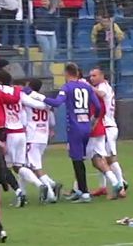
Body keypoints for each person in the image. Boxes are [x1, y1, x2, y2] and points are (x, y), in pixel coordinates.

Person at [43, 63, 102, 202]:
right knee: (80, 158)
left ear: (67, 73)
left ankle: (85, 193)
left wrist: (40, 98)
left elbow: (57, 103)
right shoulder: (87, 87)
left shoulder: (67, 87)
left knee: (77, 161)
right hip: (86, 126)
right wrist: (93, 119)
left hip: (74, 128)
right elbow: (98, 106)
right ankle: (79, 190)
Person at [17, 78, 62, 203]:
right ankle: (23, 194)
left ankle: (50, 193)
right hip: (43, 135)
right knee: (26, 165)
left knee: (34, 167)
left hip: (32, 136)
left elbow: (22, 100)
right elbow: (50, 114)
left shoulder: (26, 98)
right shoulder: (43, 98)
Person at [89, 67, 128, 197]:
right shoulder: (105, 86)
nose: (91, 78)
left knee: (110, 158)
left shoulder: (103, 86)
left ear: (102, 75)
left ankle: (121, 184)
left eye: (94, 75)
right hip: (107, 125)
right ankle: (103, 187)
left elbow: (102, 94)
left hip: (108, 126)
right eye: (90, 76)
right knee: (102, 157)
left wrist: (88, 87)